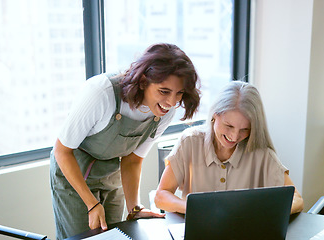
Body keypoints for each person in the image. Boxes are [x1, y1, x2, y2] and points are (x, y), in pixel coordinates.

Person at [50, 43, 201, 239]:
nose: (172, 102)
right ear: (143, 80)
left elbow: (132, 160)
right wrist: (91, 203)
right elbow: (62, 151)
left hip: (112, 177)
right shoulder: (101, 93)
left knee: (117, 235)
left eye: (179, 93)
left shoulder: (164, 111)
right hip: (73, 174)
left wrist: (134, 208)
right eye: (164, 91)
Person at [154, 81, 304, 214]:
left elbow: (296, 199)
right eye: (229, 126)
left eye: (245, 129)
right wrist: (195, 208)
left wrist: (260, 212)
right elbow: (161, 196)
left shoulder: (262, 153)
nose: (234, 136)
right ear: (214, 115)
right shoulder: (190, 142)